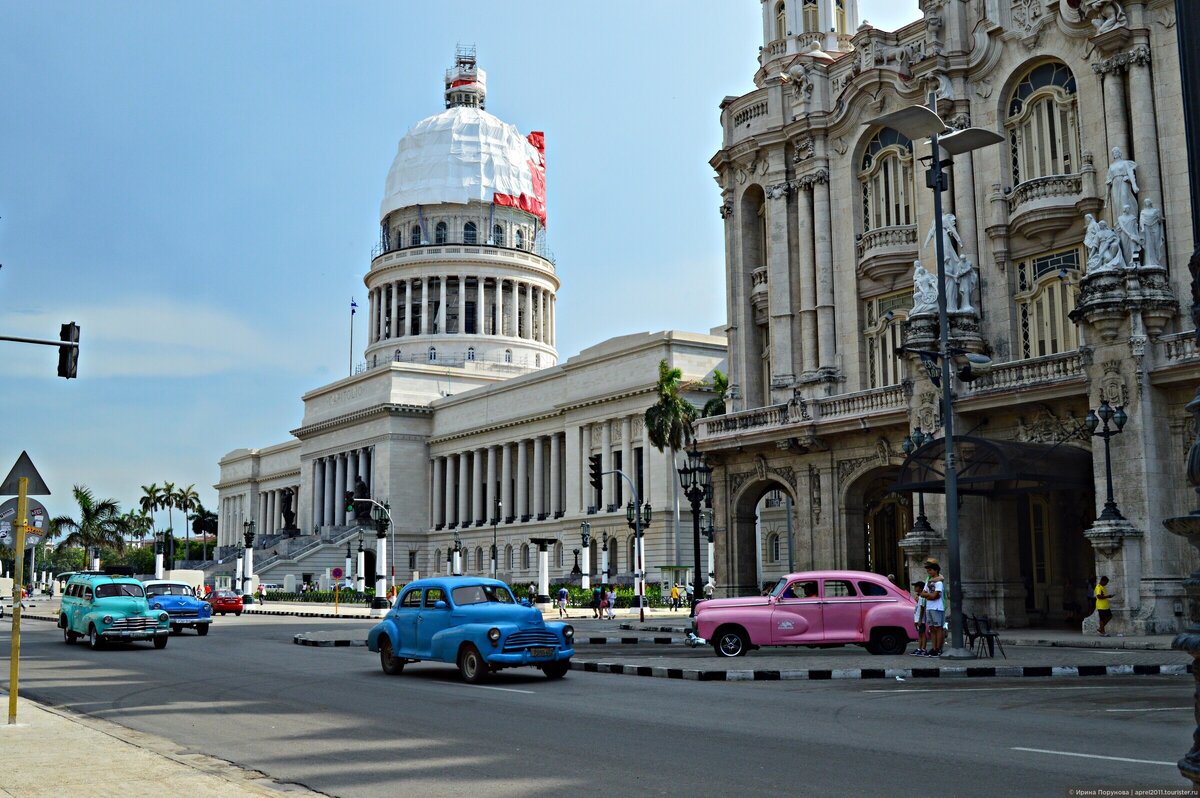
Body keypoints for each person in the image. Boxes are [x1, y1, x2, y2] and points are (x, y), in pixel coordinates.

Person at [920, 561, 946, 657]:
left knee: (938, 628)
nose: (928, 572)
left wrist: (928, 595)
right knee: (932, 628)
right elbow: (922, 593)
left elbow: (935, 596)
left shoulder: (939, 582)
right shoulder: (929, 581)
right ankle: (934, 647)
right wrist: (929, 596)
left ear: (935, 570)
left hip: (937, 607)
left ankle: (938, 648)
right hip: (929, 607)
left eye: (930, 570)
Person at [910, 581, 929, 656]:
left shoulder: (922, 597)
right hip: (917, 618)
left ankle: (923, 649)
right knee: (920, 634)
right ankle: (920, 648)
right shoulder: (919, 597)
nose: (915, 588)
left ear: (921, 588)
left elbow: (922, 608)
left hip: (920, 619)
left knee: (922, 634)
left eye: (916, 586)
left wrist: (920, 619)